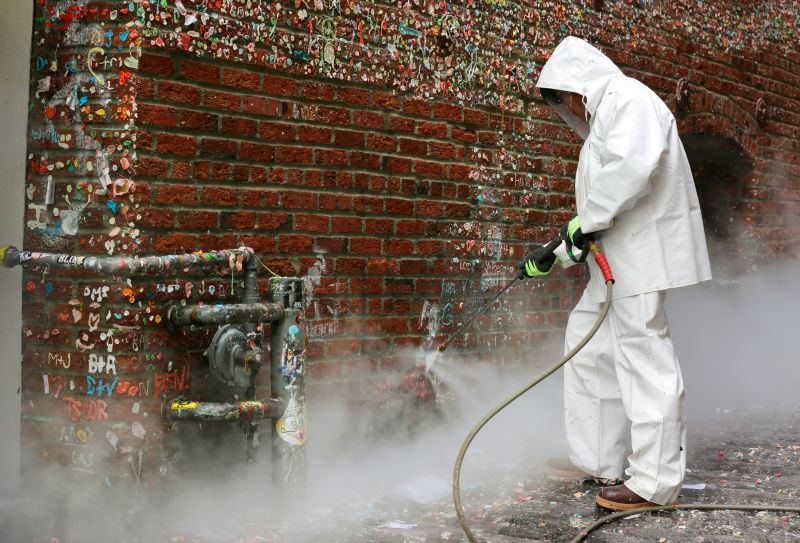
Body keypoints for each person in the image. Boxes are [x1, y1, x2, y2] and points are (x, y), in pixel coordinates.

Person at [518, 36, 712, 511]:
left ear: (578, 83)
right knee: (590, 350)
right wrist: (560, 251)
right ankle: (598, 458)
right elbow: (598, 210)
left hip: (642, 260)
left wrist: (581, 227)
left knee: (644, 362)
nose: (567, 109)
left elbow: (630, 171)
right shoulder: (607, 118)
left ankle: (654, 481)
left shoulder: (629, 100)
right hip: (616, 264)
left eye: (564, 99)